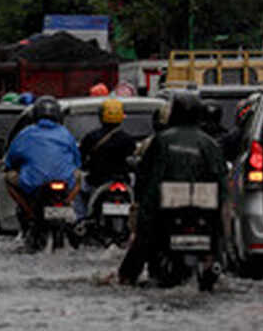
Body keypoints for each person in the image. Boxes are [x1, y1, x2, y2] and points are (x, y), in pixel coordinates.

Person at [117, 90, 226, 284]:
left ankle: (126, 277)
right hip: (203, 206)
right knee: (218, 237)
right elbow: (221, 180)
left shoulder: (161, 140)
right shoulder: (209, 144)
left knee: (143, 237)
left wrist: (142, 203)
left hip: (165, 204)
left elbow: (146, 175)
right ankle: (214, 264)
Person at [3, 95, 82, 244]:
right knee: (79, 177)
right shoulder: (66, 134)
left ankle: (29, 212)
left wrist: (8, 166)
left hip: (33, 182)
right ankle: (67, 202)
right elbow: (77, 161)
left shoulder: (25, 134)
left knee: (7, 178)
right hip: (64, 181)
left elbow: (10, 159)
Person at [77, 98, 139, 217]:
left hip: (96, 181)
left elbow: (81, 157)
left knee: (79, 195)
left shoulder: (91, 137)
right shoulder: (128, 139)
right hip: (123, 180)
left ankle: (81, 219)